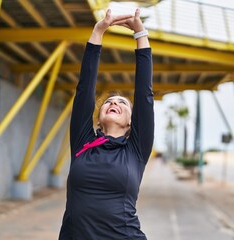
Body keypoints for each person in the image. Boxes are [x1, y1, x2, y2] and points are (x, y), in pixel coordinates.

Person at [58, 8, 154, 240]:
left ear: (132, 121)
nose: (114, 102)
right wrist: (98, 32)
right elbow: (84, 90)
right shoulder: (83, 143)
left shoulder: (136, 151)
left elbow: (144, 95)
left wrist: (140, 33)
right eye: (109, 101)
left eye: (122, 103)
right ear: (99, 116)